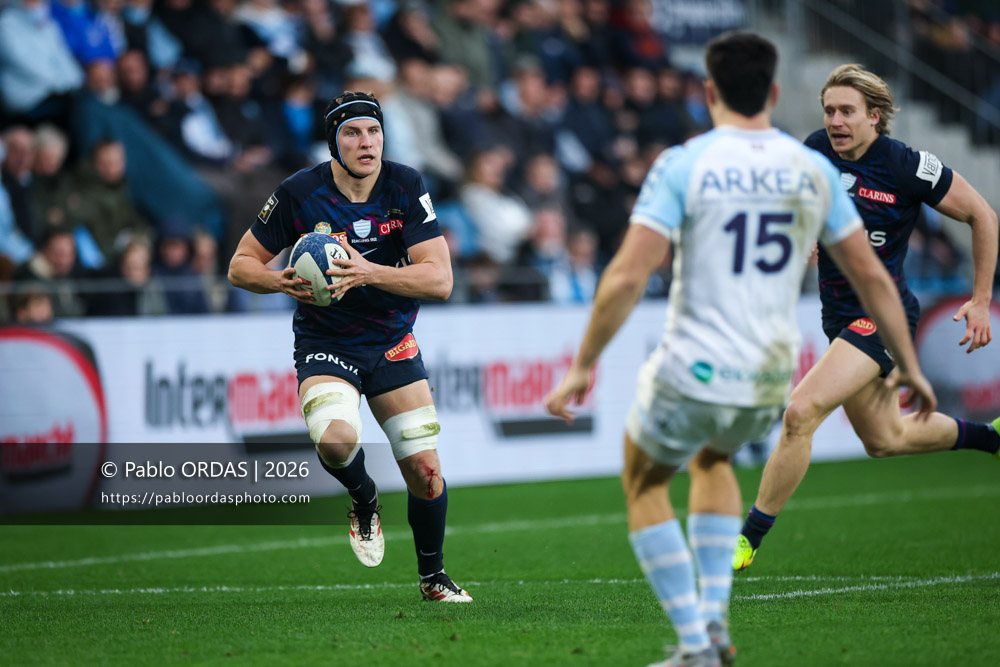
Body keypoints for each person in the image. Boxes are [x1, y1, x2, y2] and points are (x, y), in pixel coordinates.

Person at [544, 33, 937, 667]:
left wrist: (583, 364)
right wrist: (910, 367)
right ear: (774, 93)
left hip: (697, 356)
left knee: (644, 479)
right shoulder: (811, 168)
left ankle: (696, 639)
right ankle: (714, 621)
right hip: (766, 368)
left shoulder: (685, 162)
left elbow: (625, 276)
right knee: (713, 461)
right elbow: (871, 275)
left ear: (708, 93)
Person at [732, 64, 1000, 573]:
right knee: (884, 439)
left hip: (885, 316)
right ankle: (991, 438)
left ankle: (746, 540)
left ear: (875, 116)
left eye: (846, 111)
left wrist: (981, 299)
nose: (835, 120)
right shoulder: (815, 151)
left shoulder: (907, 165)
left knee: (799, 412)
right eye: (829, 110)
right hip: (839, 318)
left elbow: (982, 215)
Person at [228, 91, 472, 603]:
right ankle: (364, 498)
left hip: (391, 341)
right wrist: (279, 281)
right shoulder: (299, 192)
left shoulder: (405, 185)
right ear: (334, 143)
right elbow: (240, 266)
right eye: (353, 133)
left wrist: (367, 272)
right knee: (336, 442)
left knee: (426, 474)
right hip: (326, 341)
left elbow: (440, 279)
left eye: (374, 131)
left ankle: (433, 578)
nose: (366, 143)